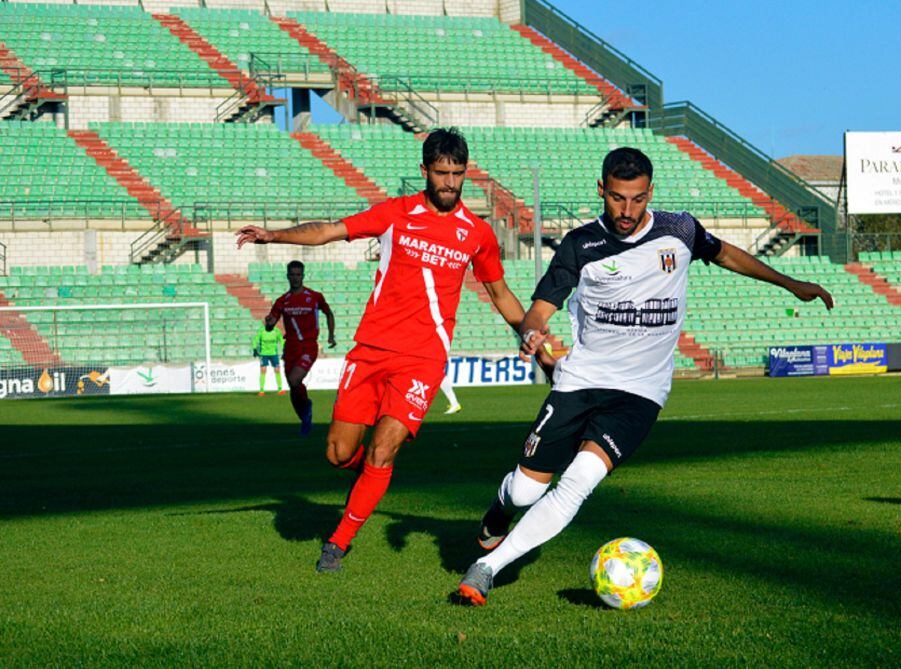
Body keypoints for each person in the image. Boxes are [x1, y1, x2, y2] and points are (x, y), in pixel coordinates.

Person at [456, 147, 834, 606]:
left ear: (649, 192)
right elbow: (540, 308)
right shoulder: (580, 245)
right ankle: (499, 510)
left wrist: (792, 283)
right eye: (617, 198)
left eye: (636, 199)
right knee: (524, 489)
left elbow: (728, 254)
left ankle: (486, 569)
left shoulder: (680, 231)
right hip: (579, 382)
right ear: (602, 190)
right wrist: (533, 333)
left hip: (640, 392)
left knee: (578, 483)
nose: (627, 211)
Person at [235, 128, 552, 573]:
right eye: (441, 173)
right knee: (339, 454)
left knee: (384, 449)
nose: (450, 183)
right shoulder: (395, 214)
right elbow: (329, 230)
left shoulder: (476, 234)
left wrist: (529, 334)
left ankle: (337, 543)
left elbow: (500, 293)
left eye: (458, 174)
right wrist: (274, 235)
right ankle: (371, 476)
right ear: (424, 171)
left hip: (423, 359)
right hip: (370, 351)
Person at [266, 260, 336, 433]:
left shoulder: (314, 297)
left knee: (294, 380)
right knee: (293, 387)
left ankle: (306, 412)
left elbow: (329, 313)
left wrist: (331, 335)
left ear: (303, 276)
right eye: (292, 275)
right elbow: (271, 324)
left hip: (308, 347)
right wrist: (268, 323)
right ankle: (305, 416)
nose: (296, 278)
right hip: (290, 348)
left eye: (299, 275)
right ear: (288, 276)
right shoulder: (282, 301)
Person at [252, 316, 286, 396]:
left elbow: (281, 340)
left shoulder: (276, 331)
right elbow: (255, 340)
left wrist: (284, 349)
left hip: (274, 354)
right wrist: (254, 349)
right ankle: (261, 390)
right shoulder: (261, 331)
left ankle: (280, 389)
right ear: (266, 322)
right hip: (264, 354)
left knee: (277, 370)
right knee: (263, 370)